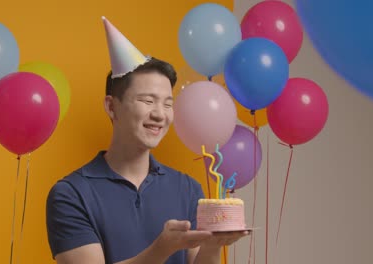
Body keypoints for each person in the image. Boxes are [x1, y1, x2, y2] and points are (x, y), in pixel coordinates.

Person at [46, 17, 250, 264]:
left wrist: (214, 244)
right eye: (147, 101)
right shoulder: (71, 194)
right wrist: (161, 249)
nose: (159, 114)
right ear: (112, 107)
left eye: (167, 103)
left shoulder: (188, 189)